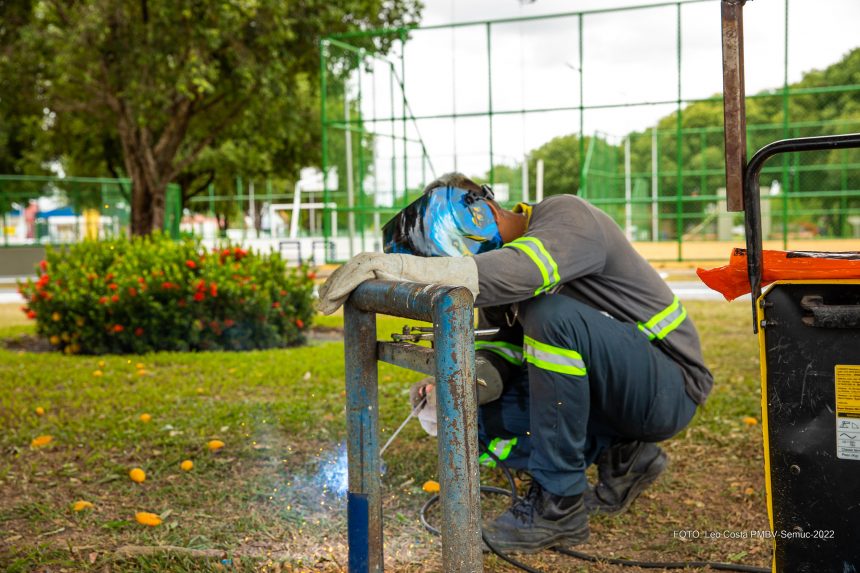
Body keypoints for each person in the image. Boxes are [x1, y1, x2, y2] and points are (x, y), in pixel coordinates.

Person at [318, 173, 713, 553]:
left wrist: (403, 269)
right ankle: (623, 453)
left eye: (449, 257)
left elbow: (522, 272)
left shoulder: (567, 216)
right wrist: (462, 384)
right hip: (612, 399)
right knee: (467, 422)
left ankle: (560, 504)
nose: (453, 264)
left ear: (481, 210)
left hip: (669, 387)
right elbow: (506, 351)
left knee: (549, 316)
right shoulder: (497, 283)